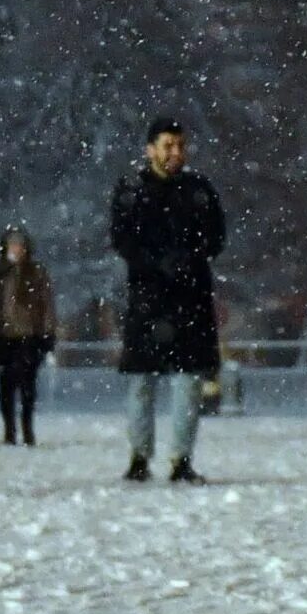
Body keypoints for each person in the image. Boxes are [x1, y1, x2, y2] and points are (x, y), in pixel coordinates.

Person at [109, 116, 225, 485]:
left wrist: (187, 259)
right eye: (168, 145)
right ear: (150, 150)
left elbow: (217, 237)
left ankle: (180, 459)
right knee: (143, 382)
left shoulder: (198, 190)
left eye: (180, 145)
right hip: (149, 298)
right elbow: (122, 239)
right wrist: (158, 263)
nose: (176, 152)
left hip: (189, 299)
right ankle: (140, 456)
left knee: (187, 382)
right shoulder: (131, 190)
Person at [0, 225, 57, 446]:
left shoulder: (37, 273)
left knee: (28, 384)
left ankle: (27, 429)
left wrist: (47, 332)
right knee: (6, 386)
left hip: (29, 335)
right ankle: (9, 430)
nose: (16, 250)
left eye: (20, 245)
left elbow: (46, 304)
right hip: (4, 335)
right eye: (12, 245)